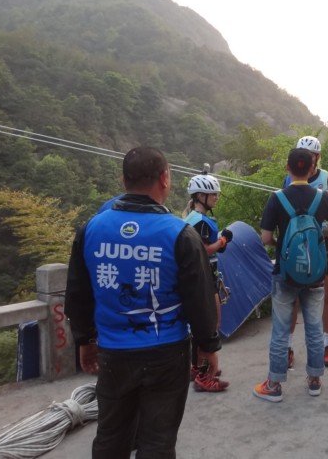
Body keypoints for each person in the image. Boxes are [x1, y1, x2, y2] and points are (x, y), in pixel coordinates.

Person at [65, 146, 221, 458]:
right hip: (167, 353)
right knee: (158, 443)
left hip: (113, 353)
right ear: (165, 179)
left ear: (123, 180)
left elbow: (78, 293)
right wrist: (208, 347)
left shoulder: (92, 228)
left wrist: (84, 340)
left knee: (111, 438)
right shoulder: (180, 233)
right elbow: (200, 299)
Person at [253, 148, 328, 402]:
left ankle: (274, 385)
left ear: (288, 168)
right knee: (314, 328)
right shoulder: (321, 197)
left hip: (285, 274)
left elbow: (265, 237)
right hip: (315, 274)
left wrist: (282, 245)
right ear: (312, 169)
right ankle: (314, 380)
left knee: (281, 330)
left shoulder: (277, 198)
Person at [283, 136, 328, 368]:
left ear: (317, 157)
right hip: (298, 244)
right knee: (293, 298)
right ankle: (288, 347)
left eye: (310, 155)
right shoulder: (289, 179)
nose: (305, 159)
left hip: (323, 244)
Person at [183, 173, 232, 392]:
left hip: (200, 276)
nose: (216, 198)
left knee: (201, 326)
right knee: (211, 324)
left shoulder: (191, 218)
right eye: (213, 194)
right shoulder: (200, 222)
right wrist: (223, 240)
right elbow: (203, 250)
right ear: (200, 196)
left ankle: (198, 367)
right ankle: (205, 375)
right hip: (205, 276)